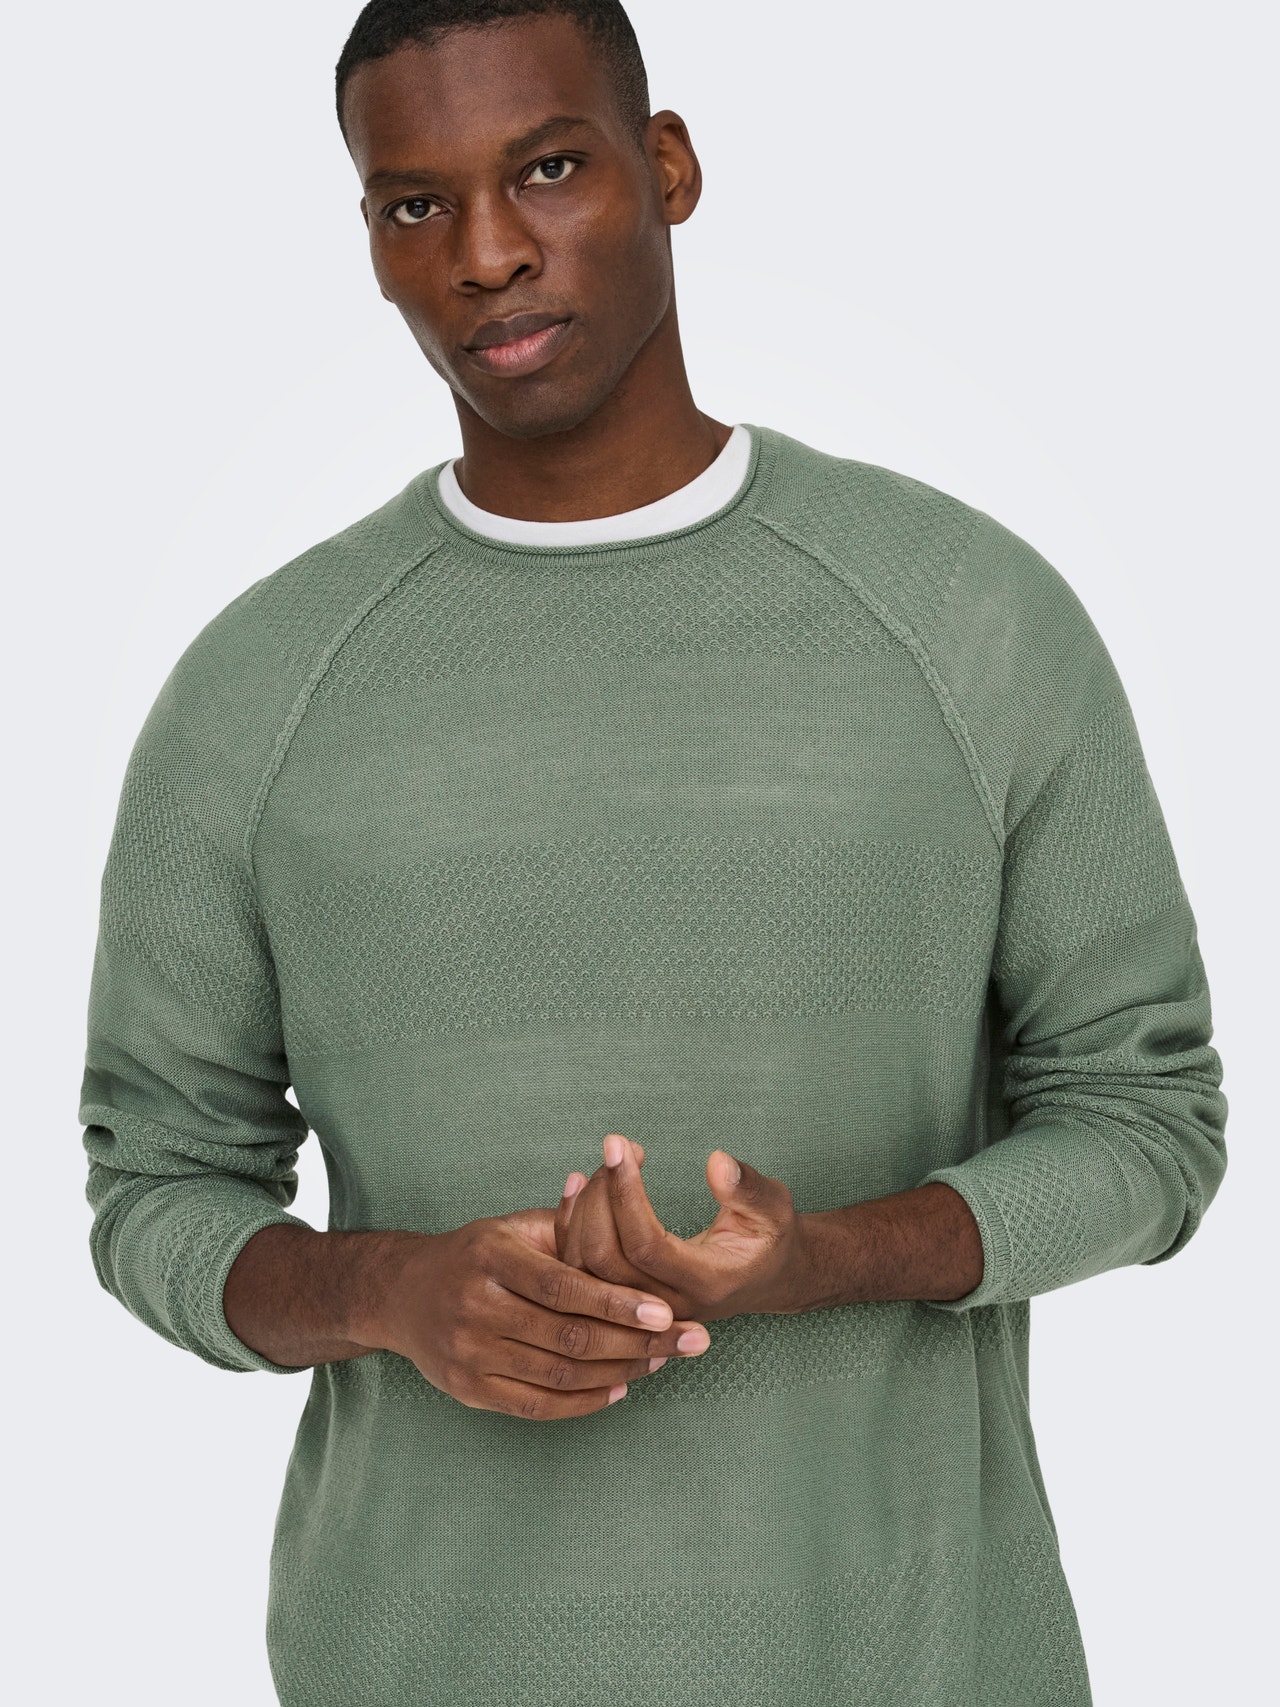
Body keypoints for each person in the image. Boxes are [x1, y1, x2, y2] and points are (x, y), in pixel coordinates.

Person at [78, 2, 1228, 1703]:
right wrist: (393, 1291)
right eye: (414, 204)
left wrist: (831, 1260)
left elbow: (1148, 1123)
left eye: (548, 171)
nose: (485, 255)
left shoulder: (970, 619)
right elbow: (157, 1186)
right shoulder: (259, 690)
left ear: (668, 166)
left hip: (911, 1665)